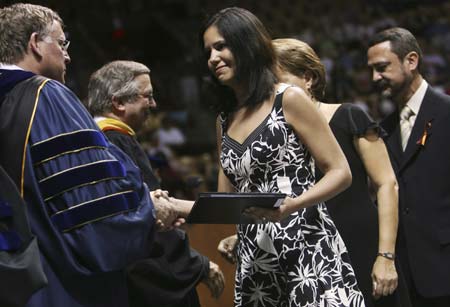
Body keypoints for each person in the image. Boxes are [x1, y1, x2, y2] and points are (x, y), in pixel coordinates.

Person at [0, 3, 183, 307]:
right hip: (56, 284)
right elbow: (92, 211)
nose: (68, 55)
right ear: (34, 44)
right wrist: (146, 211)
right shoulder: (46, 95)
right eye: (61, 43)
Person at [203, 7, 365, 307]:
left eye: (221, 46)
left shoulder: (288, 98)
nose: (212, 58)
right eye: (208, 50)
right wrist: (169, 205)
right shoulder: (223, 120)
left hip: (306, 245)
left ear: (246, 44)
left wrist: (294, 204)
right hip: (256, 259)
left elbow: (341, 172)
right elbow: (226, 201)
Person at [272, 38, 412, 307]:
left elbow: (386, 184)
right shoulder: (274, 136)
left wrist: (385, 256)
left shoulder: (349, 116)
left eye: (277, 80)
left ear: (308, 78)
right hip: (308, 253)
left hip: (358, 243)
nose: (272, 91)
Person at [87, 60, 225, 306]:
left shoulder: (94, 143)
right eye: (147, 96)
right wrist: (197, 264)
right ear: (118, 102)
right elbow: (144, 224)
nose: (154, 104)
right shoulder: (117, 143)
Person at [367, 27, 450, 307]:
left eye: (381, 68)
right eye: (372, 70)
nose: (374, 78)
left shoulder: (447, 113)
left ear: (411, 61)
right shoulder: (384, 128)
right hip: (404, 274)